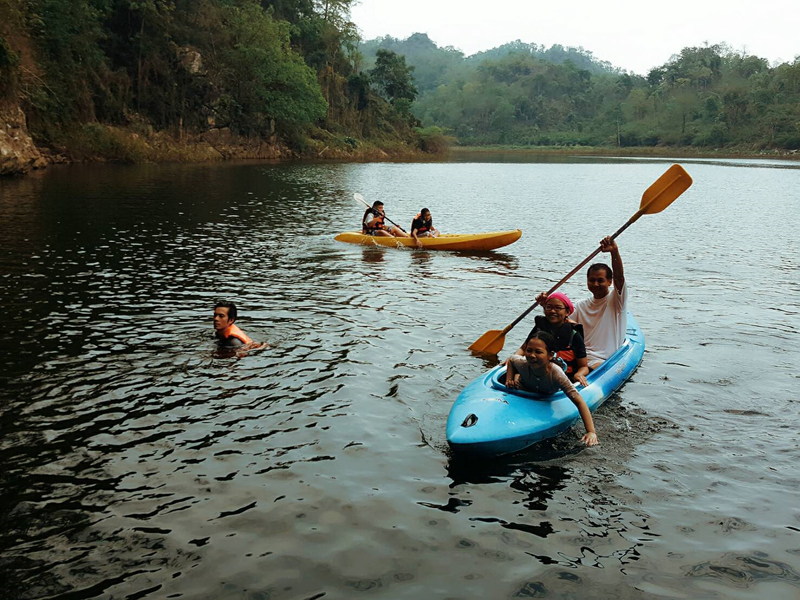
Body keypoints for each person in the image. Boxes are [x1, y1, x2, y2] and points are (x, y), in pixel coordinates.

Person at [506, 331, 599, 446]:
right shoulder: (522, 363)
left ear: (550, 355)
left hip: (546, 395)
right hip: (524, 392)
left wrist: (591, 432)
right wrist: (509, 379)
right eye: (529, 350)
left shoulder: (556, 374)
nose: (532, 355)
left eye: (538, 352)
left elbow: (579, 401)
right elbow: (511, 360)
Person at [572, 236, 627, 369]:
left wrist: (614, 252)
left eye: (600, 280)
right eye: (592, 280)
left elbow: (619, 278)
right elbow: (562, 323)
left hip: (602, 361)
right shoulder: (580, 306)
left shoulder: (616, 301)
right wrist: (546, 304)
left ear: (609, 282)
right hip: (580, 357)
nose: (596, 284)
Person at [516, 291, 589, 387]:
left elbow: (583, 366)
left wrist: (578, 374)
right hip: (537, 375)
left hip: (564, 379)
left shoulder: (574, 335)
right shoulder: (540, 328)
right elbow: (523, 349)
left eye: (558, 308)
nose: (553, 311)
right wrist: (513, 360)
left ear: (567, 312)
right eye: (549, 307)